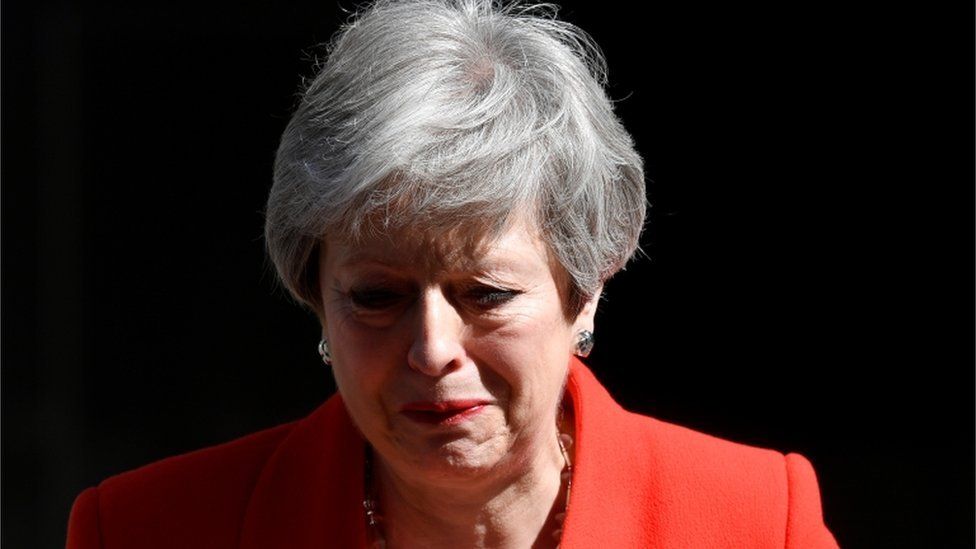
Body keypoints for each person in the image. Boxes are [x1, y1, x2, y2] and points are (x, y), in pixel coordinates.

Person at [66, 0, 839, 547]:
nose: (433, 348)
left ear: (587, 288)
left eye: (486, 294)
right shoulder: (142, 528)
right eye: (376, 296)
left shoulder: (756, 520)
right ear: (315, 296)